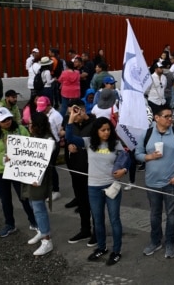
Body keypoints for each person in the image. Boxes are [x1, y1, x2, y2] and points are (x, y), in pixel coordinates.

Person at [136, 105, 174, 260]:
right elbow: (137, 153)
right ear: (156, 118)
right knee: (154, 214)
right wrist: (149, 157)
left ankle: (170, 243)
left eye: (171, 116)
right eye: (166, 116)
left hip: (172, 182)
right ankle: (155, 241)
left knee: (172, 215)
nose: (170, 119)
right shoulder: (146, 134)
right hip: (152, 183)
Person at [76, 117, 129, 266]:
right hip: (93, 187)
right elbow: (69, 138)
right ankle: (101, 247)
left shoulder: (116, 144)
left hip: (112, 186)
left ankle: (116, 251)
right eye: (102, 130)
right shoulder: (88, 143)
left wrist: (124, 170)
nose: (106, 133)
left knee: (114, 220)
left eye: (108, 130)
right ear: (96, 131)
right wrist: (71, 120)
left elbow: (126, 159)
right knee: (98, 220)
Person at [0, 107, 37, 238]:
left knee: (24, 197)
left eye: (8, 119)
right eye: (3, 120)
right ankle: (9, 224)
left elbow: (30, 148)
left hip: (18, 170)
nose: (7, 122)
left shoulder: (20, 129)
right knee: (5, 199)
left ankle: (34, 221)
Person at [22, 112, 56, 256]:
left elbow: (44, 160)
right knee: (32, 204)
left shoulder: (49, 140)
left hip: (40, 180)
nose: (28, 126)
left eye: (30, 124)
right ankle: (42, 231)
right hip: (30, 178)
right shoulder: (33, 137)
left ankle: (47, 240)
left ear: (37, 125)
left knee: (38, 207)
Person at [63, 99, 96, 245]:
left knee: (94, 203)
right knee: (82, 202)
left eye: (74, 113)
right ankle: (85, 229)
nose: (72, 117)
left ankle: (97, 232)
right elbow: (68, 139)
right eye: (70, 114)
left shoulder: (95, 124)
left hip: (92, 171)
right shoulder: (72, 125)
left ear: (82, 111)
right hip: (76, 170)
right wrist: (69, 146)